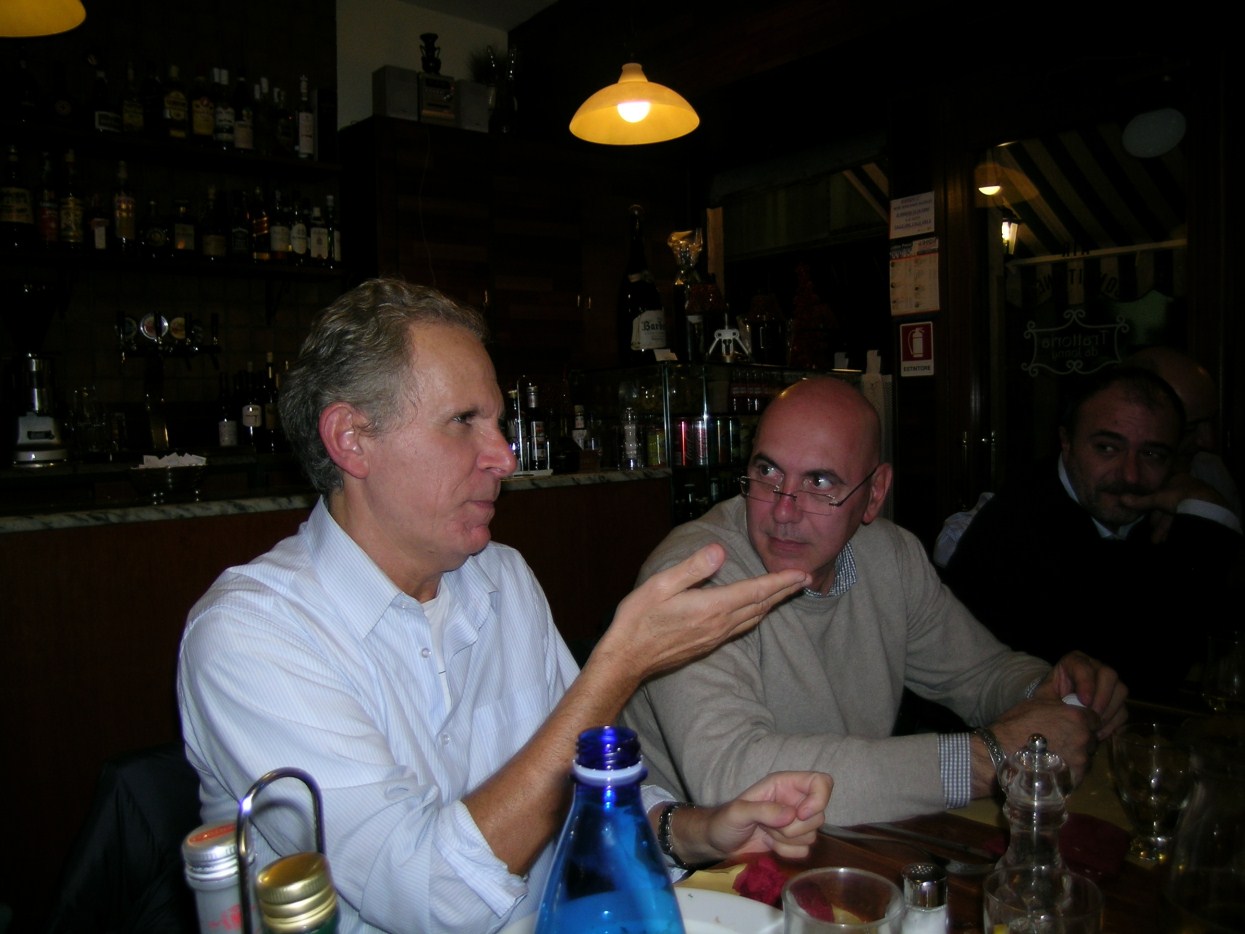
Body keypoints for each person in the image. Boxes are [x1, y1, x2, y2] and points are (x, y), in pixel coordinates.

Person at [177, 279, 831, 934]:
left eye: (498, 422)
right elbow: (431, 899)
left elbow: (580, 788)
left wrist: (696, 831)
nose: (505, 457)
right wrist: (618, 667)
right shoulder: (251, 635)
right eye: (464, 421)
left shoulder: (500, 577)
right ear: (351, 439)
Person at [621, 375, 1128, 827]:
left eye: (820, 482)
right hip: (691, 874)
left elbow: (979, 673)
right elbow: (731, 777)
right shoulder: (696, 575)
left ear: (875, 492)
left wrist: (1052, 694)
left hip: (837, 841)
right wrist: (988, 759)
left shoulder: (891, 557)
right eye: (768, 471)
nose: (783, 510)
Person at [943, 365, 1244, 704]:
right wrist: (1206, 511)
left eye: (1151, 454)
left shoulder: (1159, 505)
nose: (1130, 475)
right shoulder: (1016, 526)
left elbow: (1221, 634)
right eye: (1107, 448)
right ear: (1066, 443)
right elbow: (1146, 670)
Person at [1125, 345, 1242, 525]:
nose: (1208, 441)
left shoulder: (1210, 471)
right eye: (1189, 429)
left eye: (1211, 421)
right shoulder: (1097, 478)